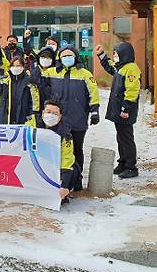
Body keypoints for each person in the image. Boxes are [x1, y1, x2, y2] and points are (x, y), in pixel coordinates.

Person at [44, 45, 99, 188]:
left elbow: (93, 92)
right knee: (57, 149)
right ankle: (59, 179)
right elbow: (38, 85)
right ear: (59, 58)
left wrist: (94, 111)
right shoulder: (51, 72)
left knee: (77, 149)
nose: (66, 59)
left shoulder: (85, 74)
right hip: (57, 120)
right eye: (63, 56)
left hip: (78, 118)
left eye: (70, 56)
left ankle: (77, 179)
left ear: (75, 57)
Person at [95, 42, 142, 179]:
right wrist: (101, 54)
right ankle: (122, 162)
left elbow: (132, 90)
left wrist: (126, 108)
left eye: (116, 54)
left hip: (125, 110)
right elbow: (110, 67)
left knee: (126, 138)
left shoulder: (131, 68)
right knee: (120, 136)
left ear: (124, 54)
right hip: (119, 110)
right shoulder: (121, 67)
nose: (114, 56)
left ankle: (131, 167)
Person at [28, 100, 82, 204]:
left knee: (73, 169)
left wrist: (64, 185)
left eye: (55, 113)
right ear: (43, 112)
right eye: (48, 112)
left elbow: (67, 159)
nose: (51, 115)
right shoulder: (32, 123)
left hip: (55, 165)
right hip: (36, 163)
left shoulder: (65, 134)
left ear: (60, 117)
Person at [0, 56, 38, 125]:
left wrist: (30, 116)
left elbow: (32, 100)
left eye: (18, 65)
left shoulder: (28, 81)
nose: (15, 68)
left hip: (22, 117)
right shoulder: (5, 79)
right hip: (5, 117)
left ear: (23, 67)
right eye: (13, 66)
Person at [29, 45, 57, 110]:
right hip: (37, 110)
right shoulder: (34, 74)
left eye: (49, 57)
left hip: (52, 110)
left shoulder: (57, 74)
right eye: (43, 57)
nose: (45, 59)